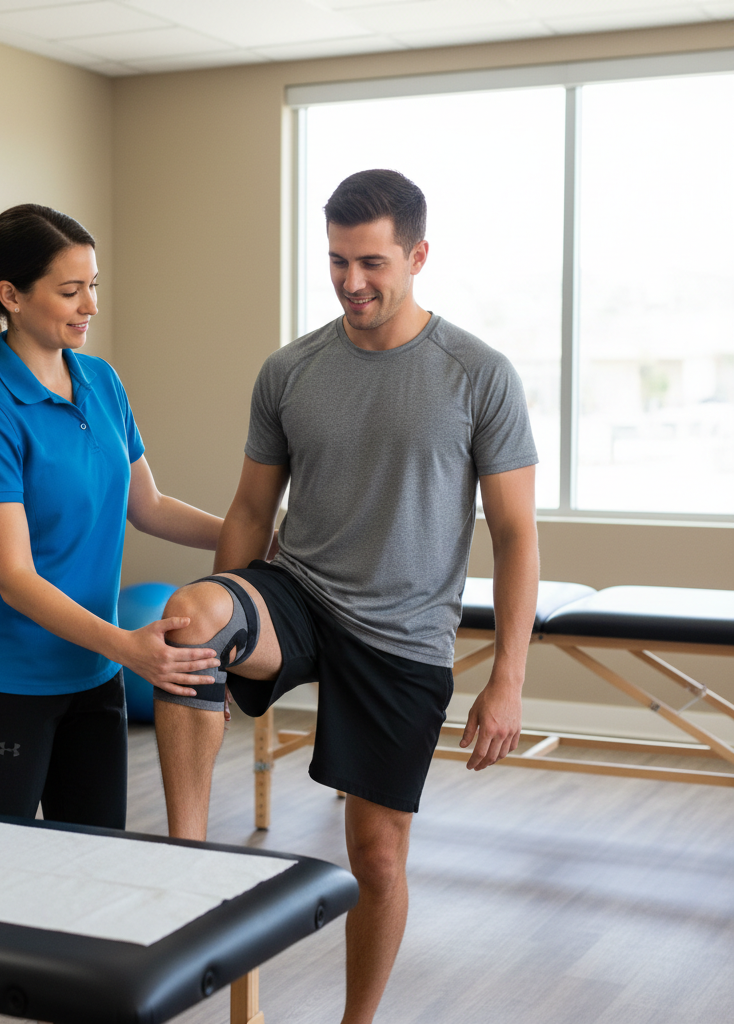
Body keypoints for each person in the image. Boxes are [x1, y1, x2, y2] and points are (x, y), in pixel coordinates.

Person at [153, 170, 540, 1024]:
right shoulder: (291, 369)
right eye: (336, 261)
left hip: (403, 632)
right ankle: (185, 864)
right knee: (187, 619)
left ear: (418, 255)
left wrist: (506, 677)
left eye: (370, 262)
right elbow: (253, 509)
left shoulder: (479, 375)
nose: (351, 283)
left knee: (377, 854)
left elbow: (515, 534)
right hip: (301, 591)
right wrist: (223, 593)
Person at [0, 204, 224, 1024]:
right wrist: (132, 648)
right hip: (6, 682)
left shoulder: (101, 381)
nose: (90, 304)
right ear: (10, 295)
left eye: (93, 286)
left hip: (90, 672)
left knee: (90, 886)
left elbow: (153, 506)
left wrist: (256, 538)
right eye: (70, 290)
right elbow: (16, 578)